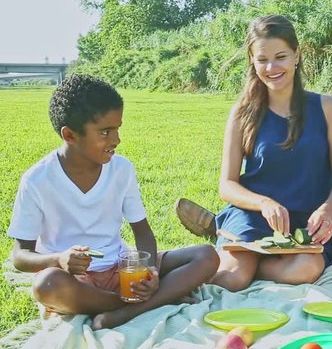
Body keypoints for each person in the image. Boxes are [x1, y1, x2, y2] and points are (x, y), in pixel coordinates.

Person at [7, 75, 219, 330]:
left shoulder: (121, 169)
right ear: (70, 135)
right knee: (48, 285)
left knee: (206, 255)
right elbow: (20, 256)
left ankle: (127, 309)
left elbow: (143, 233)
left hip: (122, 269)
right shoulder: (37, 180)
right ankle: (139, 304)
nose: (116, 139)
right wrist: (59, 259)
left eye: (118, 128)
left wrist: (148, 271)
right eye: (105, 132)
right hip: (76, 281)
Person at [175, 14, 332, 292]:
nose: (271, 67)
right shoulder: (243, 112)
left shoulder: (326, 107)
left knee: (307, 269)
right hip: (254, 215)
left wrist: (327, 212)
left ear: (297, 55)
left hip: (308, 221)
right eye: (262, 59)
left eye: (280, 56)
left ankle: (245, 253)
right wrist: (265, 203)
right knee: (233, 278)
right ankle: (233, 245)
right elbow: (227, 185)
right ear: (252, 60)